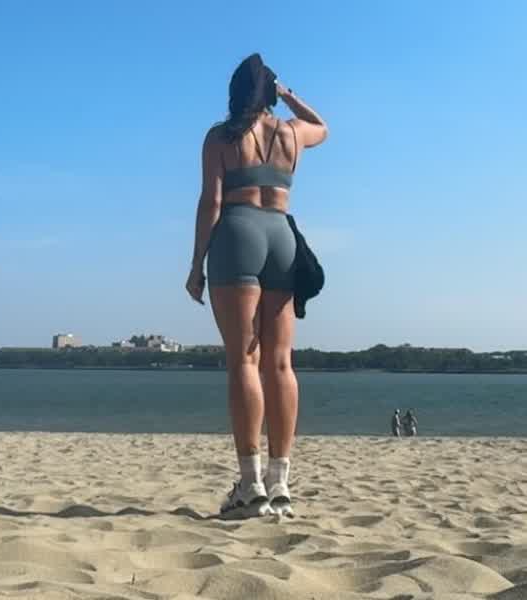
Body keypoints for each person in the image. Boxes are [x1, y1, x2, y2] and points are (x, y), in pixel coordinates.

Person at [185, 53, 328, 518]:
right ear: (269, 93)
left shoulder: (220, 136)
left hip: (238, 233)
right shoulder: (290, 134)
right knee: (280, 363)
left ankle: (250, 484)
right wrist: (287, 95)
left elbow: (211, 202)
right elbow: (322, 126)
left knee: (243, 360)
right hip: (281, 234)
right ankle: (280, 481)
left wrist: (196, 265)